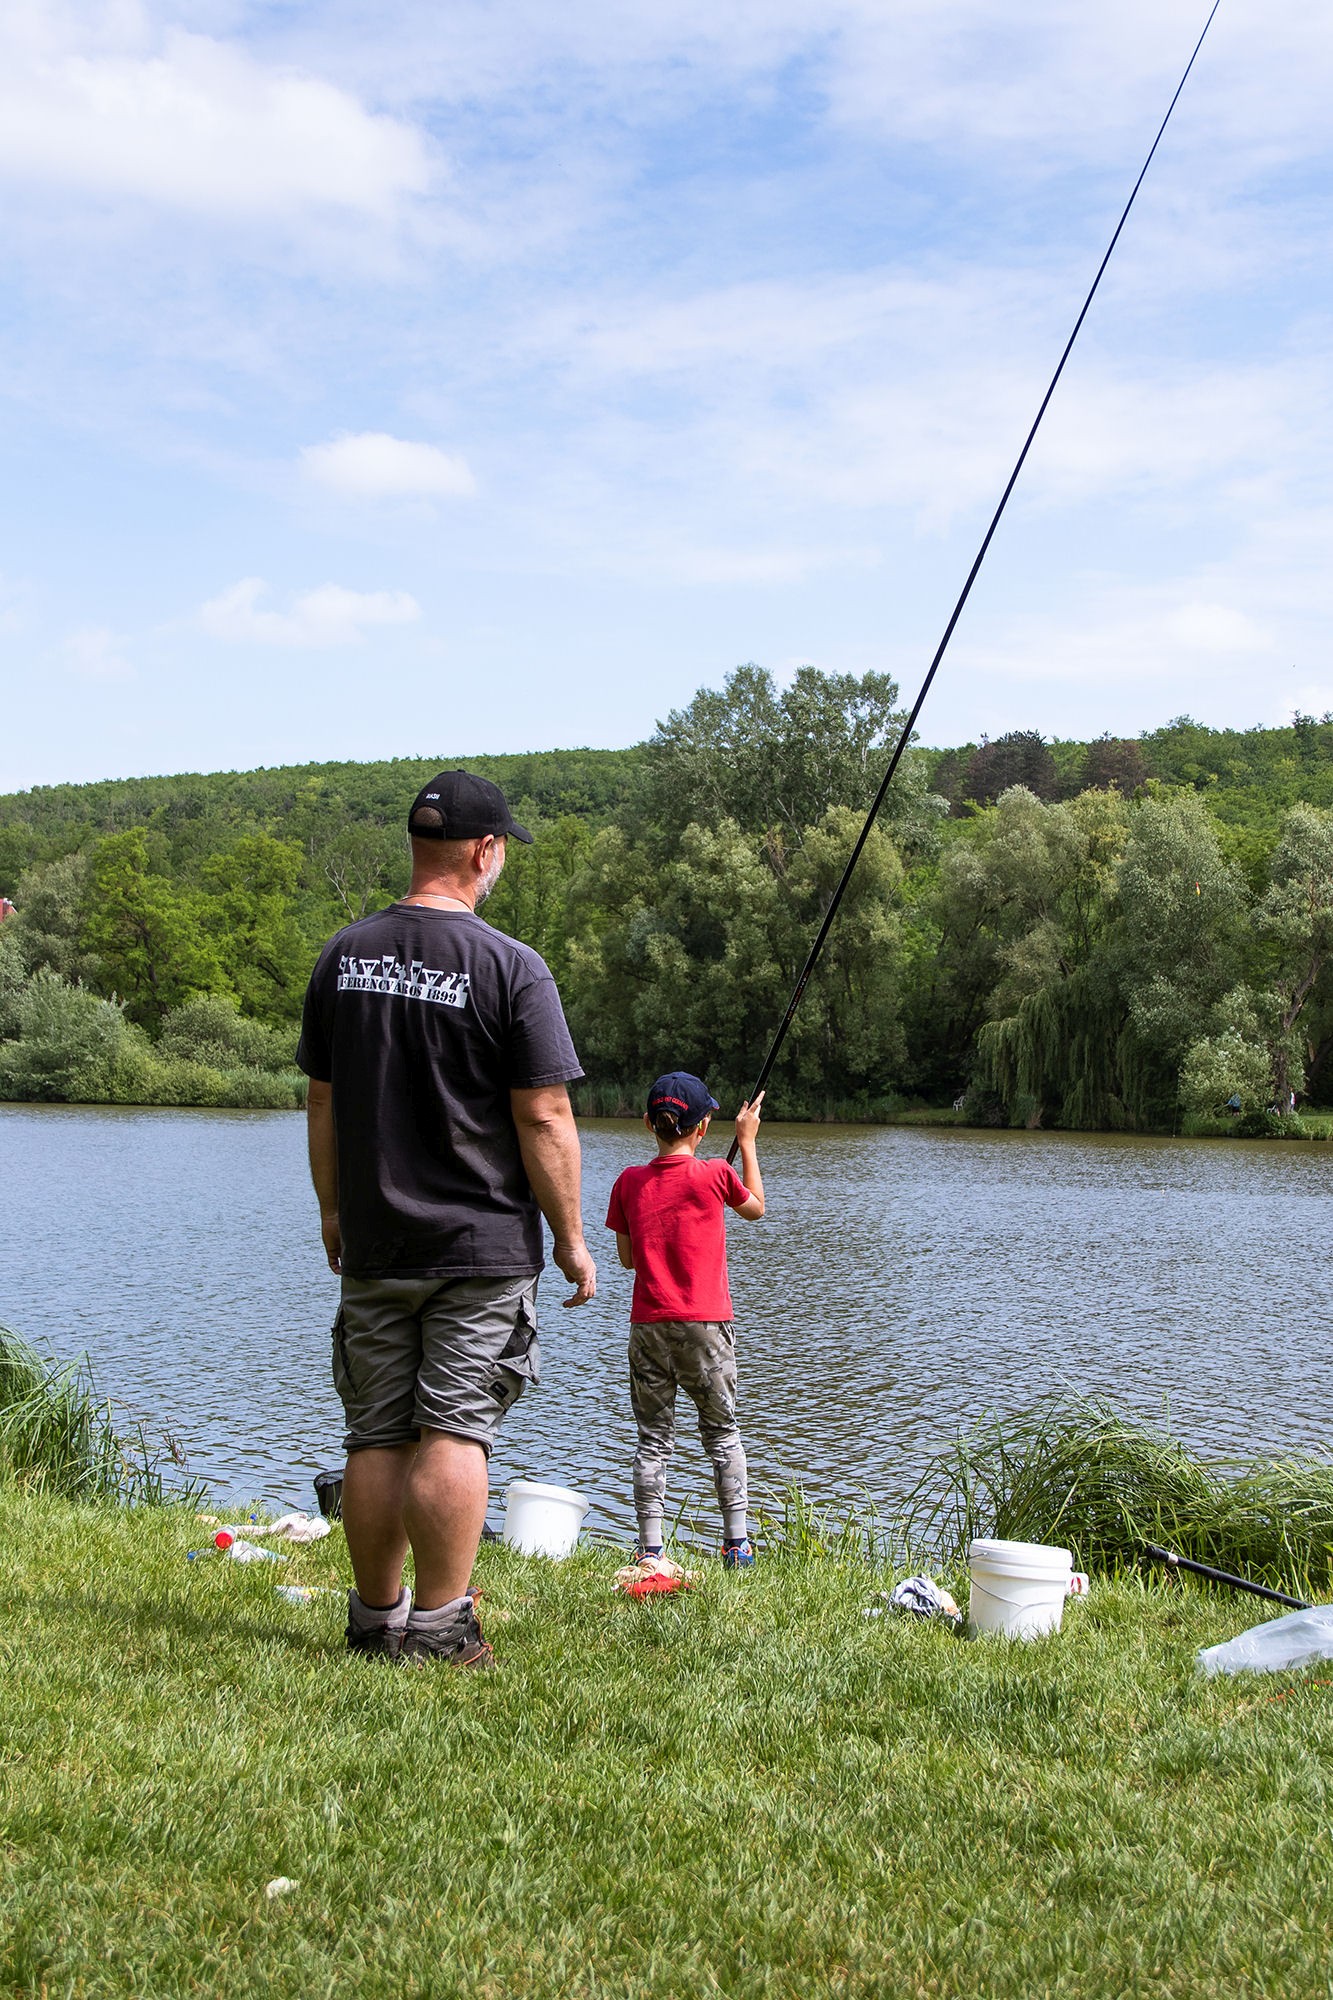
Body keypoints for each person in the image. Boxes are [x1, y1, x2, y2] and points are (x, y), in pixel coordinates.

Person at [297, 769, 596, 1668]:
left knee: (376, 1433)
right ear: (484, 850)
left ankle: (373, 1621)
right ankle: (440, 1629)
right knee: (455, 1428)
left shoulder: (344, 955)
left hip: (376, 1240)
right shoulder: (511, 965)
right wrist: (572, 1239)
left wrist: (332, 1209)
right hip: (479, 1245)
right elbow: (543, 1116)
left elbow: (322, 1100)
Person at [605, 1072, 764, 1566]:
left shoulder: (628, 1182)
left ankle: (650, 1550)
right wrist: (746, 1142)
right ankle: (736, 1544)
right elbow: (756, 1208)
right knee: (721, 1432)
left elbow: (628, 1260)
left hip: (648, 1325)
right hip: (706, 1326)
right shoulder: (716, 1174)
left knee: (653, 1438)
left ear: (647, 1123)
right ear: (703, 1127)